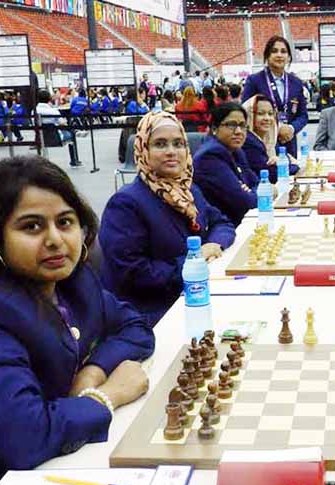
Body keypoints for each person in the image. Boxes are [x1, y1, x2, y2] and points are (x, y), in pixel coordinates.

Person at [0, 155, 154, 485]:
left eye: (65, 222)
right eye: (32, 227)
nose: (54, 239)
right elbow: (23, 435)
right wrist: (108, 395)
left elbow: (137, 327)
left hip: (70, 460)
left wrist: (93, 371)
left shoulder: (74, 282)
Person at [100, 111, 235, 327]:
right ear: (143, 150)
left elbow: (222, 223)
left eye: (178, 144)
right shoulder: (125, 204)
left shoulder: (189, 191)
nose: (172, 152)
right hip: (151, 314)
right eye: (160, 144)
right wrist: (195, 260)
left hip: (193, 296)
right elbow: (134, 274)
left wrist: (214, 243)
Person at [241, 36, 308, 158]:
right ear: (267, 56)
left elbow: (303, 115)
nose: (279, 55)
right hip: (263, 142)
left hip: (289, 141)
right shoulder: (254, 81)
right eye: (274, 51)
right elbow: (245, 112)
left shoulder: (296, 83)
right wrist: (277, 128)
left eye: (283, 51)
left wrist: (291, 128)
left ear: (288, 57)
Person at [193, 103, 259, 227]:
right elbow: (247, 202)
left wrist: (252, 191)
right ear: (214, 128)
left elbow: (256, 181)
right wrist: (256, 192)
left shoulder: (236, 151)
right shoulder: (210, 156)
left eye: (242, 126)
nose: (239, 131)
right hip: (223, 228)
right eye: (231, 125)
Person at [242, 94, 299, 183]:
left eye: (270, 114)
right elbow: (273, 175)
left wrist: (283, 162)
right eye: (260, 114)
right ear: (249, 115)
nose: (267, 118)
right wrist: (293, 165)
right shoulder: (249, 141)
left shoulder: (270, 139)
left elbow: (283, 158)